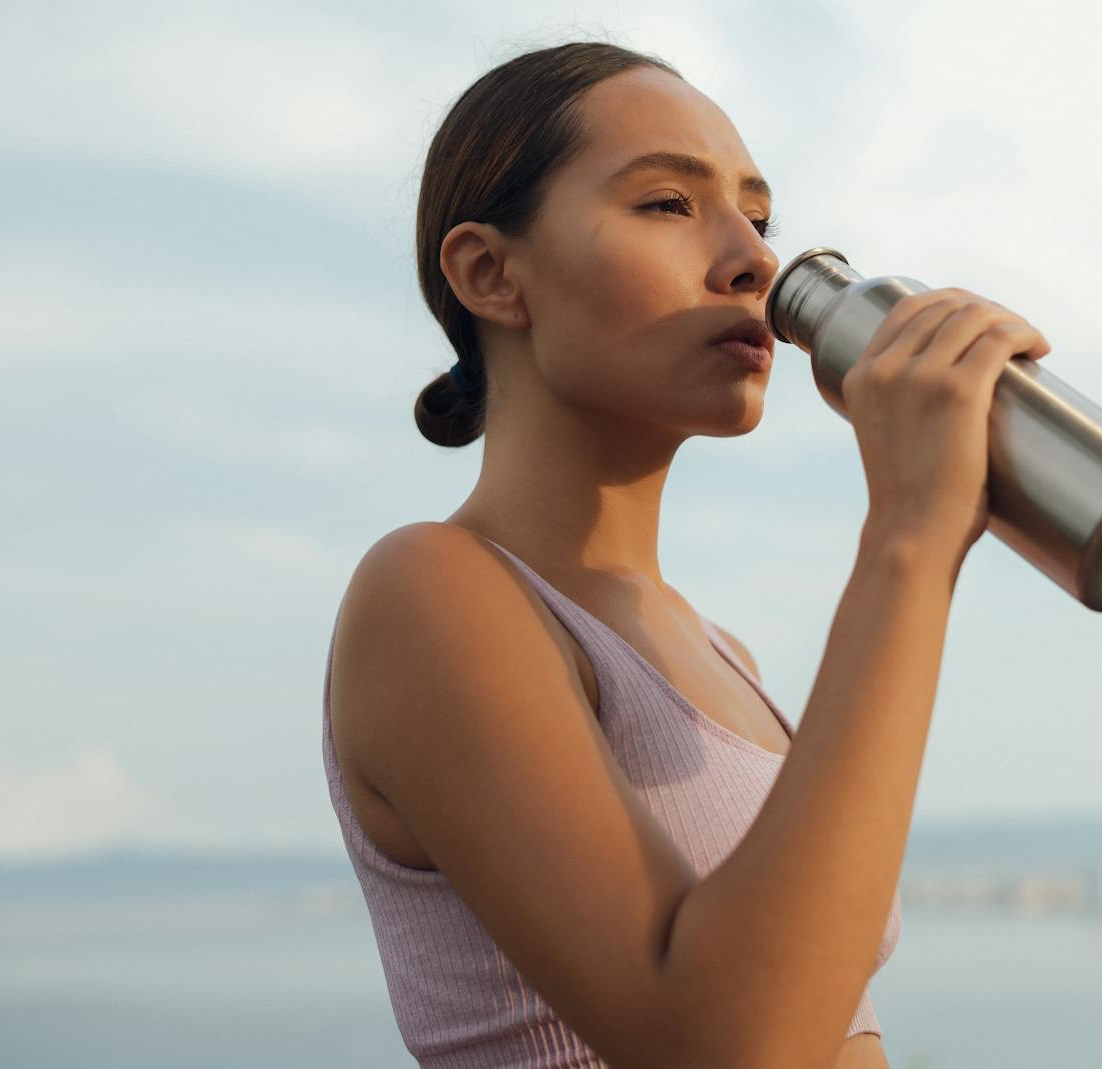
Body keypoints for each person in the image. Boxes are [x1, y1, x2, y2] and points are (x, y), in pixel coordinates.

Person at [321, 38, 1051, 1069]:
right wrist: (909, 538)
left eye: (758, 216)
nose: (754, 258)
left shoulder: (723, 656)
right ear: (491, 273)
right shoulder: (431, 594)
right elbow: (724, 1043)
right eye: (668, 204)